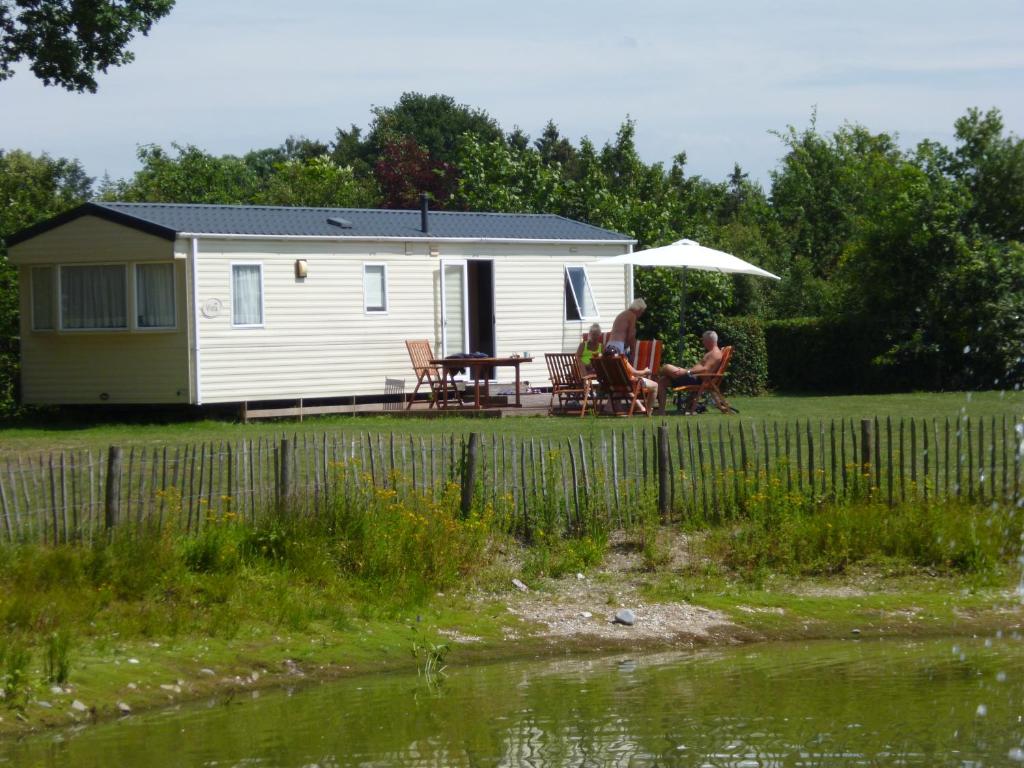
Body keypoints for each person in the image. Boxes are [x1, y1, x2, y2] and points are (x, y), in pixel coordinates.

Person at [656, 330, 723, 414]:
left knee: (667, 367)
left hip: (696, 379)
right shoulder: (711, 352)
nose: (703, 342)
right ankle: (661, 411)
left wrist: (686, 371)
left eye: (704, 340)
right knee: (662, 382)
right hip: (694, 377)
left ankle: (652, 375)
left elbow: (705, 369)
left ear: (709, 341)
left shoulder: (715, 353)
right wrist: (686, 370)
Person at [605, 348, 658, 414]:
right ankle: (648, 410)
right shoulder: (621, 360)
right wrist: (645, 371)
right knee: (655, 385)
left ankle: (642, 408)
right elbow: (635, 372)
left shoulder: (604, 363)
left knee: (629, 384)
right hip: (632, 384)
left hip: (615, 385)